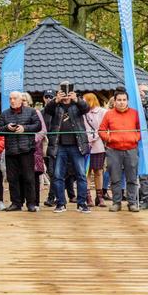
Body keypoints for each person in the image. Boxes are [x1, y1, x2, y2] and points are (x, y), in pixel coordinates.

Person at [44, 84, 90, 213]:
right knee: (58, 175)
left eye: (68, 90)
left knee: (81, 175)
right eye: (63, 91)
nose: (66, 93)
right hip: (59, 146)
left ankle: (82, 203)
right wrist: (56, 100)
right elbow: (47, 110)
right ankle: (60, 203)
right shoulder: (56, 105)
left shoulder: (77, 104)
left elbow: (86, 108)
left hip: (77, 145)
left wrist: (76, 99)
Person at [0, 91, 42, 212]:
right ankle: (16, 203)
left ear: (21, 99)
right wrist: (7, 128)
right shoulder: (4, 114)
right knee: (12, 178)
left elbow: (38, 126)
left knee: (29, 178)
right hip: (11, 150)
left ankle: (31, 203)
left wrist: (24, 128)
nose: (12, 100)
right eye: (10, 98)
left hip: (26, 149)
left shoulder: (31, 111)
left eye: (14, 98)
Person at [99, 89, 141, 212]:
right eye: (119, 100)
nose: (122, 102)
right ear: (115, 101)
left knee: (132, 178)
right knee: (115, 177)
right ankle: (116, 203)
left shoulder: (135, 113)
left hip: (131, 149)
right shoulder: (108, 114)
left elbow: (140, 129)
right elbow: (101, 130)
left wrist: (135, 138)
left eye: (124, 100)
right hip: (113, 150)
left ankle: (132, 203)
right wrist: (109, 138)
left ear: (127, 101)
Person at [23, 92, 47, 208]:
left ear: (29, 102)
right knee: (23, 176)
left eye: (24, 101)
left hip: (35, 148)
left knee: (34, 175)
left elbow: (42, 130)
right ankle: (25, 201)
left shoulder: (36, 112)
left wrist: (34, 139)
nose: (22, 103)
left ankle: (35, 201)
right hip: (22, 148)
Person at [83, 92, 108, 207]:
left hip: (98, 145)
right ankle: (88, 197)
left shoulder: (102, 112)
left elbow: (104, 127)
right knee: (86, 172)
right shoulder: (82, 113)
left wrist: (95, 136)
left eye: (86, 100)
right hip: (85, 145)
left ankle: (100, 196)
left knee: (98, 171)